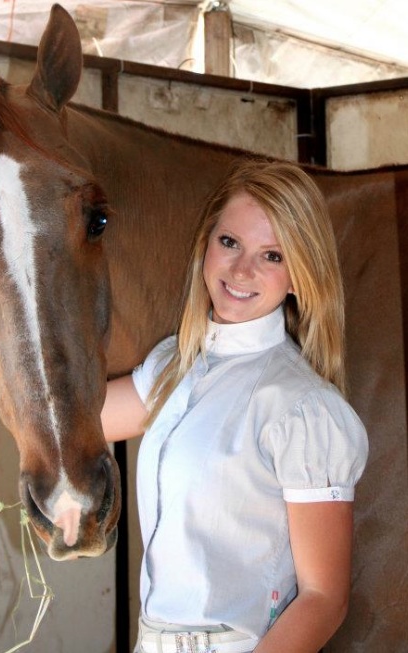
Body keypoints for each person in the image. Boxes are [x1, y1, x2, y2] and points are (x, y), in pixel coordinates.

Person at [101, 157, 368, 653]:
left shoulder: (303, 409)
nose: (242, 269)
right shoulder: (174, 365)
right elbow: (81, 424)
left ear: (298, 277)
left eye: (272, 256)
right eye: (230, 243)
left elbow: (324, 598)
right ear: (206, 244)